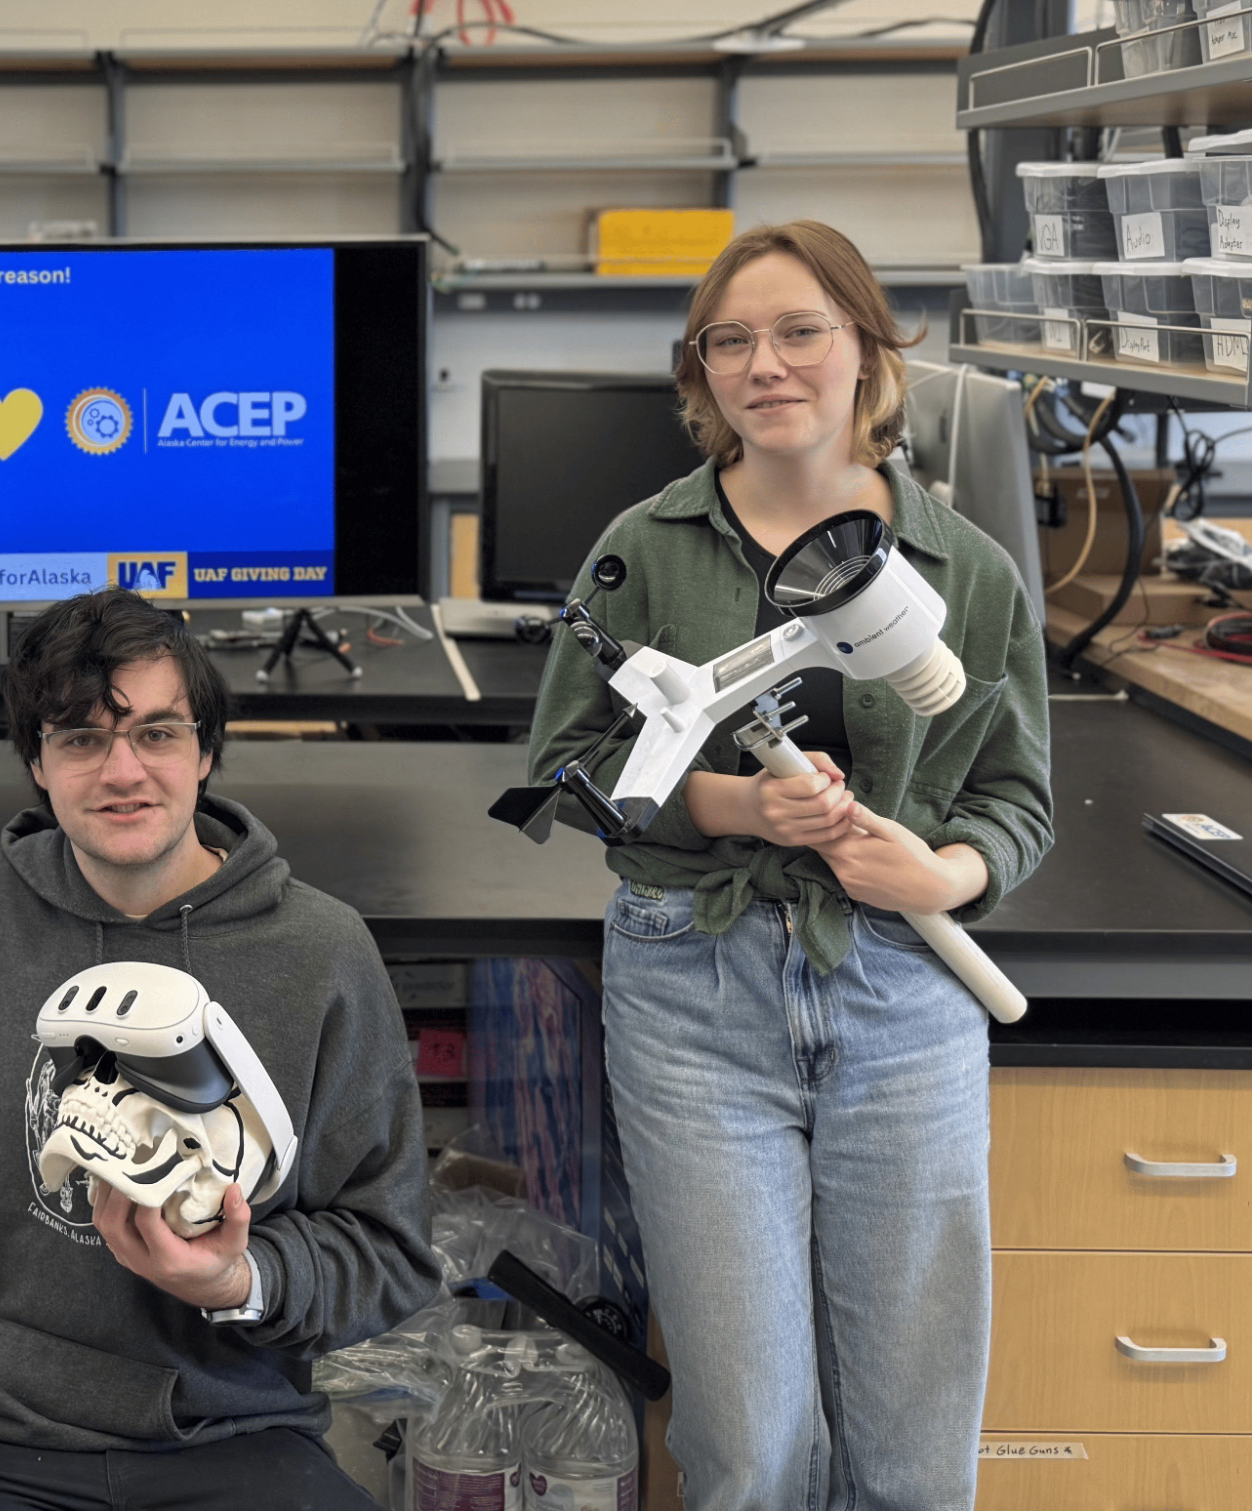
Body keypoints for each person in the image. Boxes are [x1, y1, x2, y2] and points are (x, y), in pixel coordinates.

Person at [527, 221, 1053, 1511]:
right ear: (699, 376)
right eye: (731, 341)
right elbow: (565, 763)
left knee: (914, 1451)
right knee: (750, 1442)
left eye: (801, 329)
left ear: (870, 351)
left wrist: (941, 878)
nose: (766, 365)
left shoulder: (967, 572)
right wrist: (736, 805)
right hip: (692, 996)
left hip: (903, 997)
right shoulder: (640, 552)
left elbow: (1017, 799)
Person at [0, 588, 440, 1511]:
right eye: (79, 738)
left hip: (232, 1426)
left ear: (205, 750)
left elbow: (390, 1248)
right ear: (37, 760)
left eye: (156, 733)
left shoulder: (322, 951)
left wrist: (241, 1277)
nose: (122, 771)